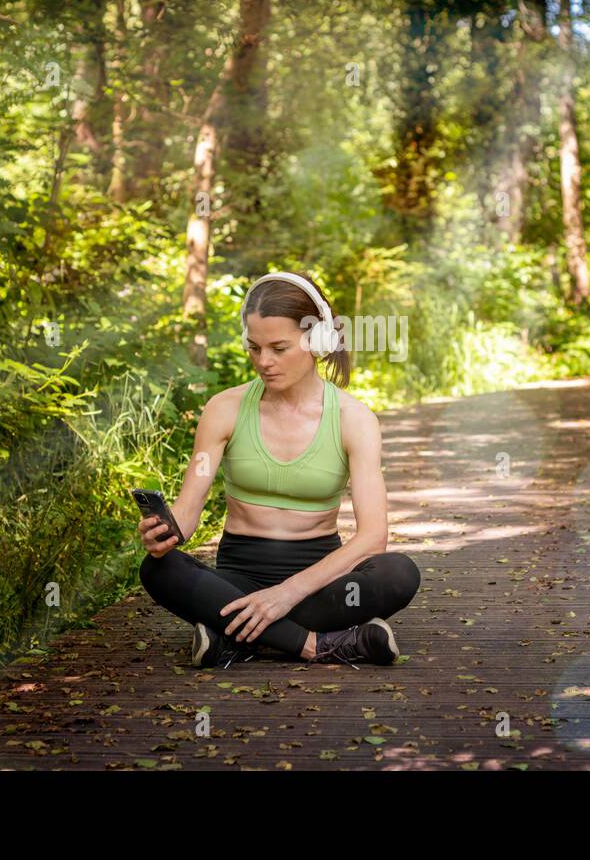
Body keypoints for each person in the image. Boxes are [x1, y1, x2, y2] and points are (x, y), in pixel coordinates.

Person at [138, 271, 421, 670]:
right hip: (237, 582)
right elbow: (188, 511)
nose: (263, 362)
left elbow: (373, 536)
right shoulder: (225, 408)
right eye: (254, 348)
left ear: (317, 341)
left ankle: (235, 642)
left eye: (279, 347)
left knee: (398, 573)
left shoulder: (354, 419)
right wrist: (165, 533)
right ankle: (318, 645)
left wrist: (287, 594)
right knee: (159, 569)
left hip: (317, 585)